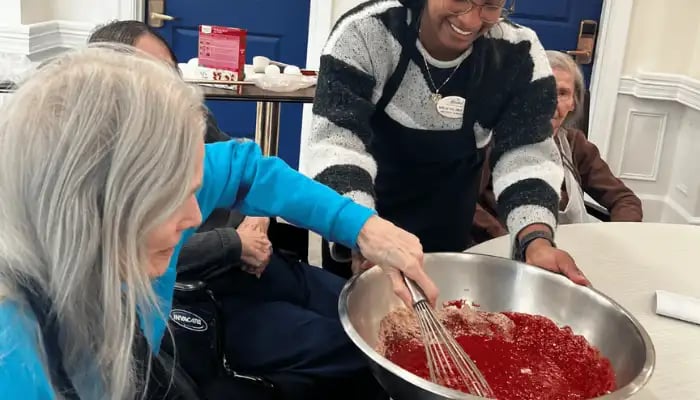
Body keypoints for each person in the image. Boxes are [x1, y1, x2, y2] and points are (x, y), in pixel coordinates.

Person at [0, 45, 437, 399]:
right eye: (173, 198)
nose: (195, 216)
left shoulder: (153, 189)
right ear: (88, 205)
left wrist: (364, 227)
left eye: (193, 187)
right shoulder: (16, 357)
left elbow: (245, 169)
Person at [88, 20, 389, 399]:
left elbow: (244, 170)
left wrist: (262, 217)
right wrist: (232, 243)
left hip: (258, 262)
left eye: (169, 78)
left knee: (376, 311)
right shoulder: (98, 203)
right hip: (208, 294)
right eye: (144, 86)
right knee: (355, 347)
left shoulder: (187, 121)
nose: (163, 97)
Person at [302, 0, 588, 284]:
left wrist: (535, 241)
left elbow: (527, 154)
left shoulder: (518, 53)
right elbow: (338, 143)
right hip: (363, 221)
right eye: (460, 0)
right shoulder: (367, 32)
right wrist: (363, 232)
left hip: (448, 231)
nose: (471, 22)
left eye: (489, 5)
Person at [473, 50, 643, 241]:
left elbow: (625, 200)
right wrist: (508, 241)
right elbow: (465, 206)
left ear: (573, 102)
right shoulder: (488, 145)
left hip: (574, 251)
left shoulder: (574, 144)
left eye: (562, 93)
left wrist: (616, 239)